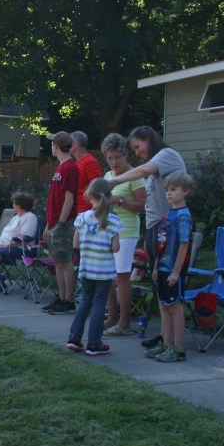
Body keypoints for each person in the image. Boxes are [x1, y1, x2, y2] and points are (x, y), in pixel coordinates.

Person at [109, 126, 187, 344]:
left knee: (167, 289)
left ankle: (174, 344)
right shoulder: (156, 167)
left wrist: (114, 181)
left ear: (148, 139)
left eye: (137, 146)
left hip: (168, 229)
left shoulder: (166, 155)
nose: (136, 152)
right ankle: (164, 337)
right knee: (159, 288)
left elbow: (142, 171)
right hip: (156, 229)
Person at [66, 178, 123, 356]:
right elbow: (115, 248)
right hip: (104, 271)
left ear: (89, 195)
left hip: (86, 268)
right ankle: (94, 343)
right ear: (109, 196)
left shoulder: (82, 218)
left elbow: (75, 243)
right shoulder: (113, 220)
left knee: (85, 301)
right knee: (99, 305)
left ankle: (74, 338)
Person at [141, 171, 193, 362]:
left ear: (185, 191)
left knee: (175, 307)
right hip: (162, 267)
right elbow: (161, 244)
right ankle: (166, 343)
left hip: (174, 269)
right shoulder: (167, 215)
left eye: (174, 190)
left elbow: (184, 244)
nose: (169, 193)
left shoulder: (183, 216)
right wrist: (156, 266)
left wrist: (176, 271)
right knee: (164, 305)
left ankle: (178, 349)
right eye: (167, 190)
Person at [100, 133, 147, 336]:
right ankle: (112, 318)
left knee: (122, 276)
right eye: (109, 158)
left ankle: (125, 323)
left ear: (125, 155)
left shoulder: (135, 176)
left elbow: (143, 207)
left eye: (117, 157)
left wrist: (120, 201)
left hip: (127, 231)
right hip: (109, 232)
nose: (114, 162)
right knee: (108, 276)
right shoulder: (108, 177)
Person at [42, 131, 79, 315]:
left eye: (52, 144)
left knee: (65, 261)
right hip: (54, 223)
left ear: (56, 145)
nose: (51, 147)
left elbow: (69, 199)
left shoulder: (70, 167)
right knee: (57, 262)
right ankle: (61, 297)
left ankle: (68, 300)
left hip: (63, 224)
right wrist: (49, 224)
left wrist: (61, 223)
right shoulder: (60, 167)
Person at [70, 131, 103, 214]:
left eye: (69, 144)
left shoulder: (90, 162)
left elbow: (97, 187)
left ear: (76, 145)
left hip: (86, 211)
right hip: (77, 210)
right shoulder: (77, 162)